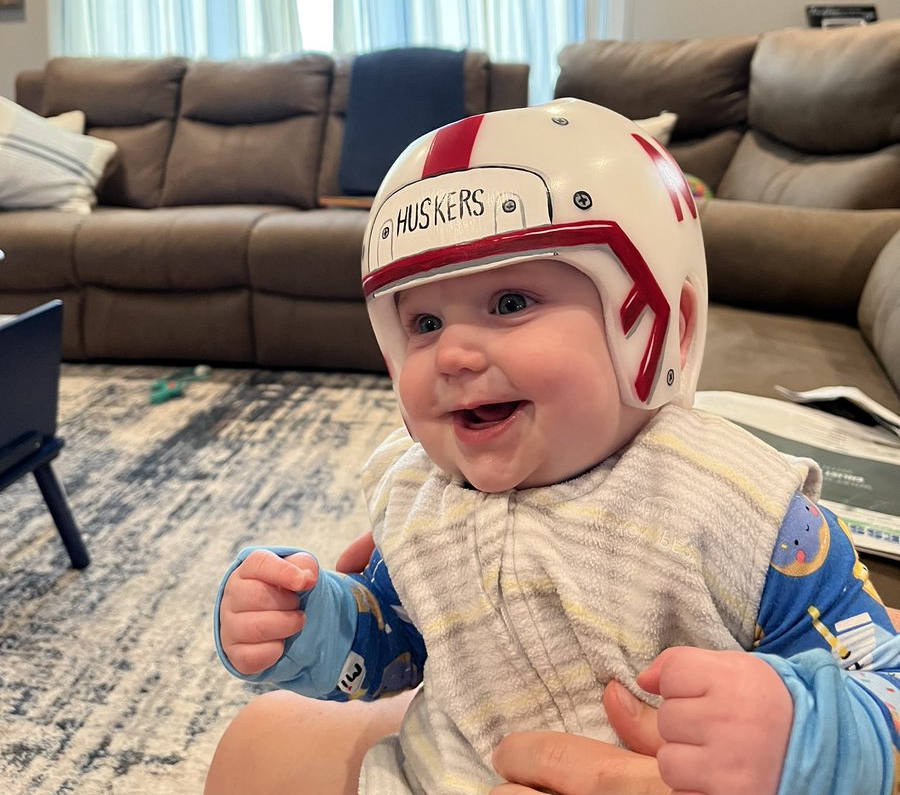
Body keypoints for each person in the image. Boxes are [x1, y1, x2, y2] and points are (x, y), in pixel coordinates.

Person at [206, 100, 900, 795]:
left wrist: (804, 738)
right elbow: (398, 648)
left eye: (510, 303)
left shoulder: (741, 508)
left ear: (663, 324)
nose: (451, 353)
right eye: (421, 320)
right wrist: (311, 622)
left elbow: (883, 677)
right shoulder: (419, 500)